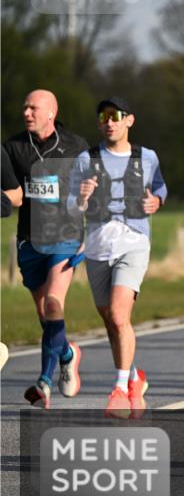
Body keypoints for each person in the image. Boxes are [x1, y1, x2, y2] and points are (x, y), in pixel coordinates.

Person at [67, 97, 167, 418]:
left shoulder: (147, 157)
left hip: (134, 244)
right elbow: (70, 206)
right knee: (110, 321)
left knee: (119, 315)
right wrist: (81, 197)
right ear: (99, 123)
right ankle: (135, 377)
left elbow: (160, 189)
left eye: (116, 116)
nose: (109, 122)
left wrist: (157, 202)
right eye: (104, 117)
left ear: (129, 120)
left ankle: (121, 388)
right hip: (97, 246)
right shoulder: (87, 158)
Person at [4, 90, 88, 408]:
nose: (26, 112)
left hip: (66, 237)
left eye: (33, 107)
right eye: (24, 106)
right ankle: (68, 353)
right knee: (45, 315)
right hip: (29, 239)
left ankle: (44, 383)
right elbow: (12, 193)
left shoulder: (75, 145)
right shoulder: (13, 148)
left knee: (54, 303)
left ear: (51, 112)